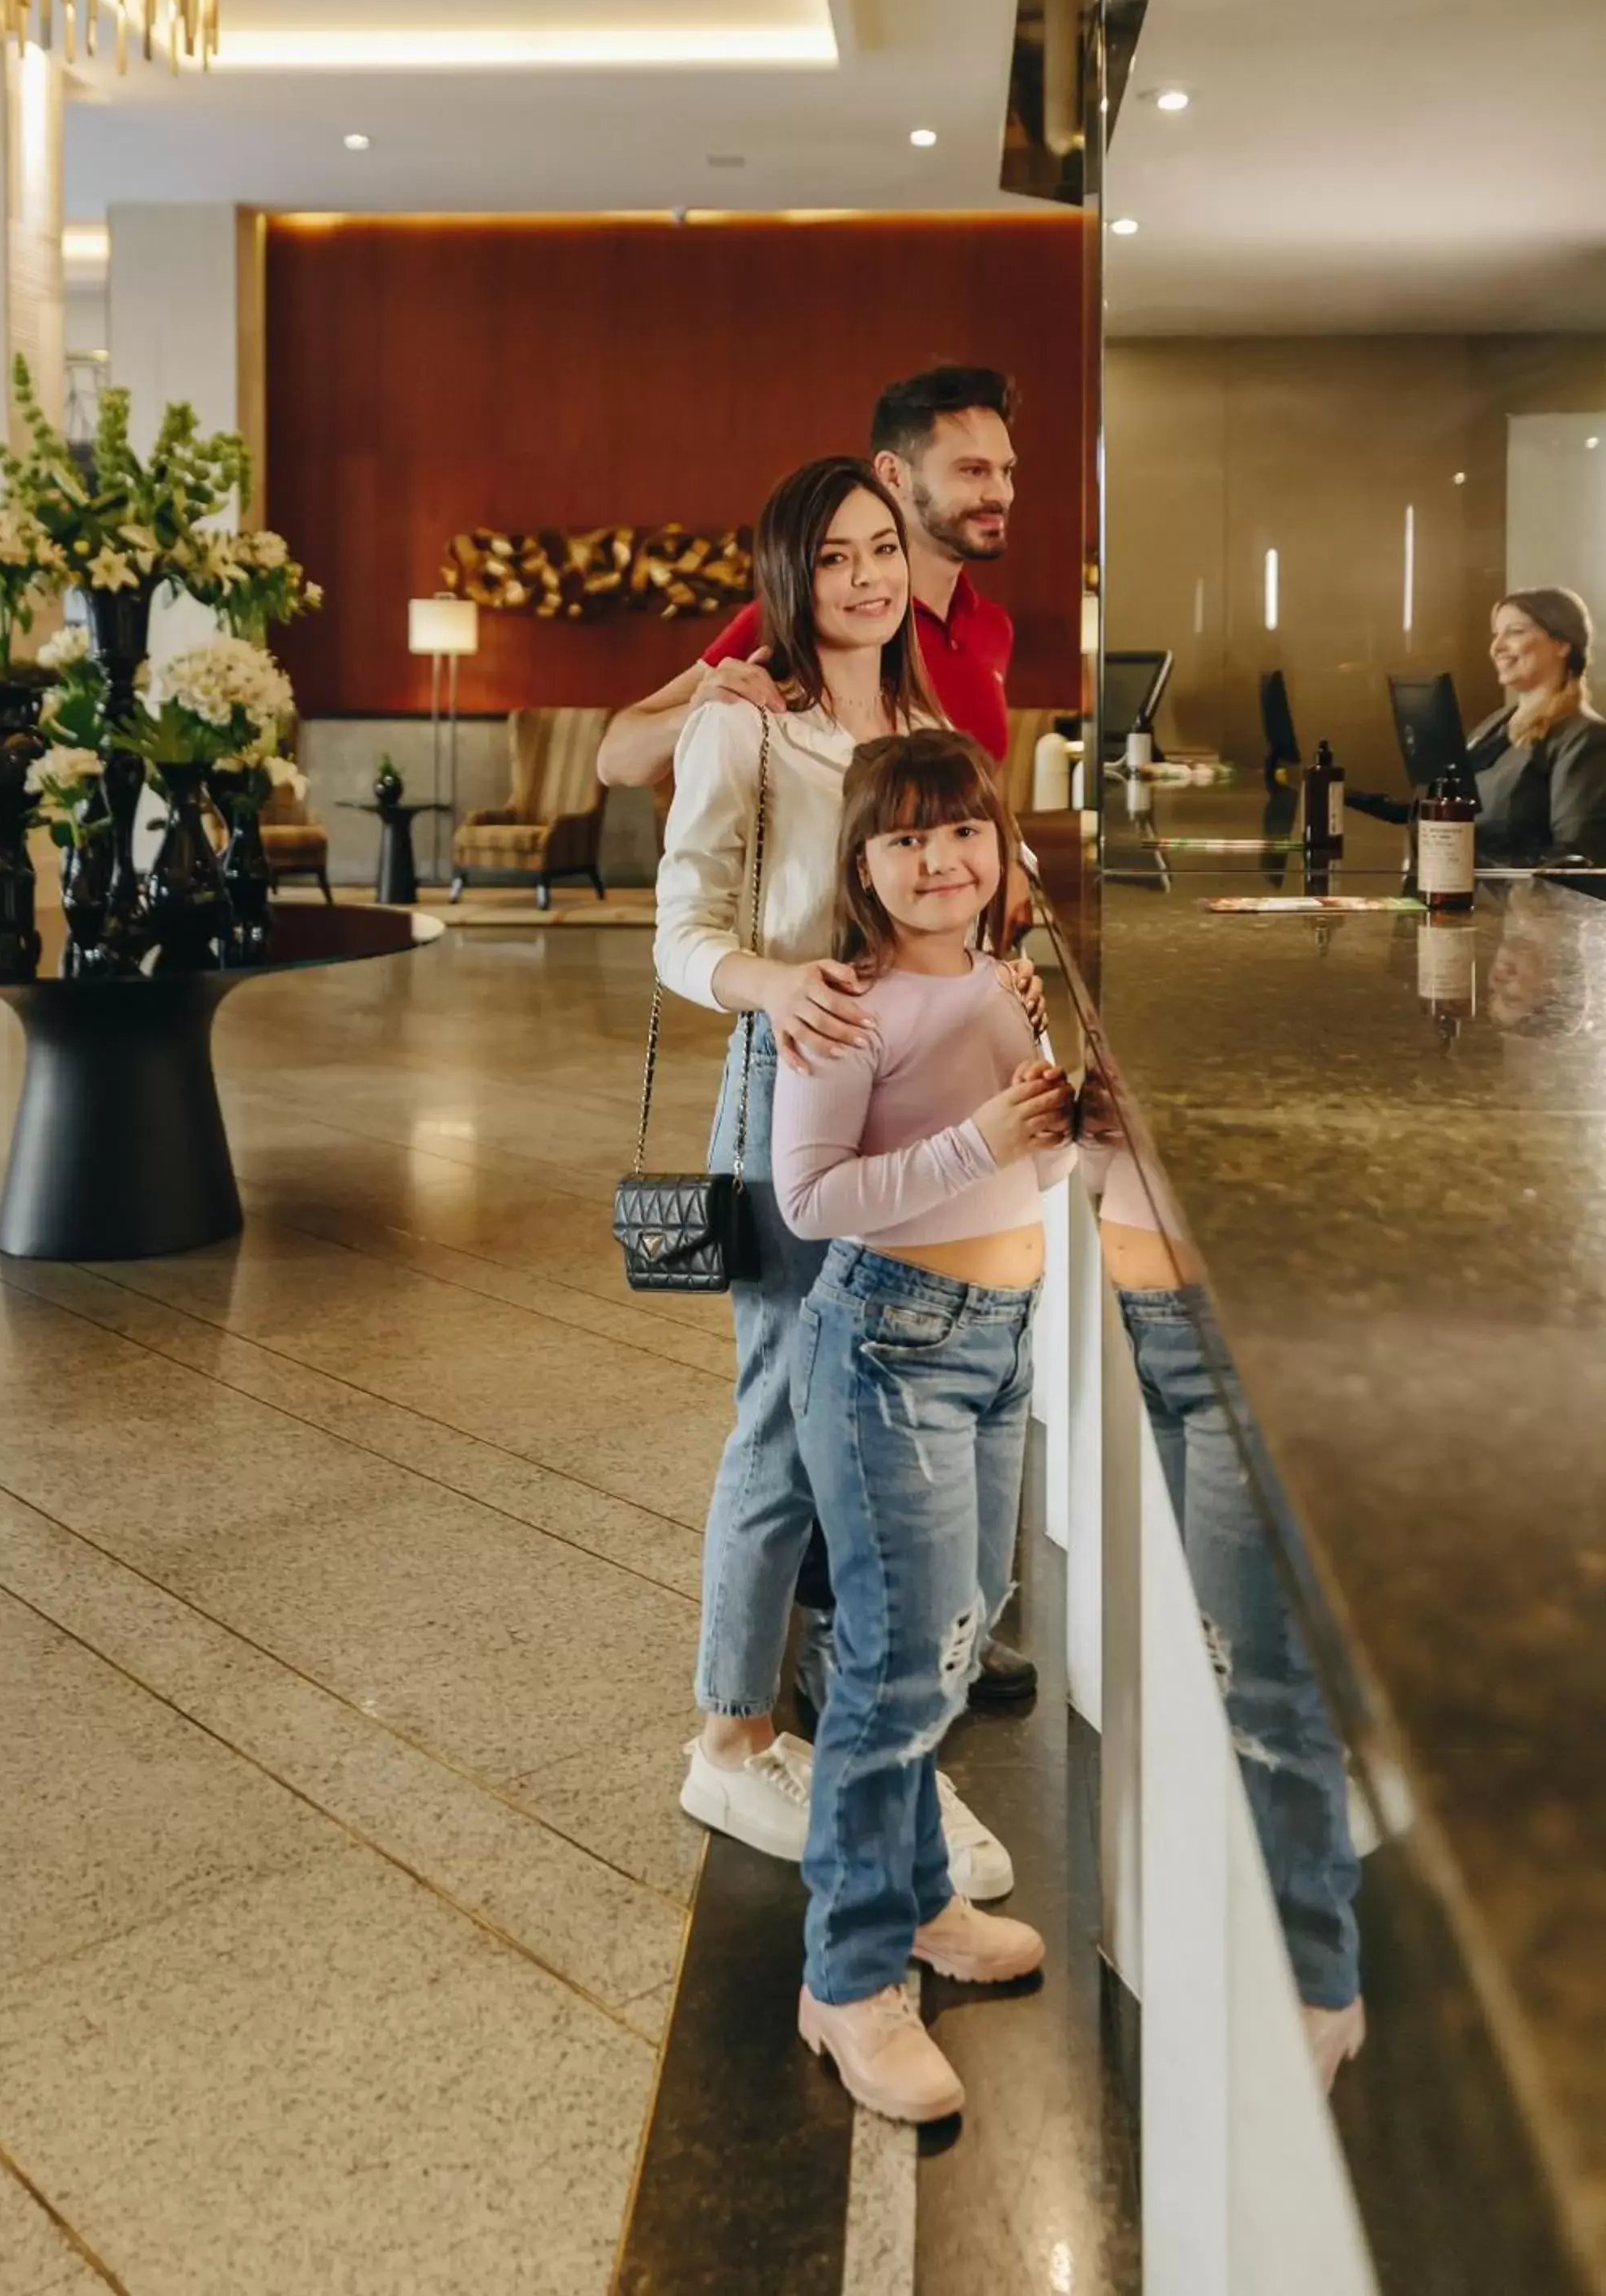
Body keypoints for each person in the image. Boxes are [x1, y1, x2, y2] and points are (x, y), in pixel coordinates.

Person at [616, 365, 1039, 1710]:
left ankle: (868, 1674)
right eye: (834, 558)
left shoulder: (917, 728)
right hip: (788, 1089)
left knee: (880, 1416)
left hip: (917, 1105)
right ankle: (733, 1727)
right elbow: (679, 936)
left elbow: (928, 908)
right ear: (789, 579)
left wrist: (989, 988)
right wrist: (768, 985)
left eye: (877, 553)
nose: (864, 579)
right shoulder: (747, 722)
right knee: (783, 1426)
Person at [772, 728, 1072, 2121]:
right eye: (905, 840)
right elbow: (812, 1200)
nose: (940, 860)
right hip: (889, 1347)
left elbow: (1025, 1151)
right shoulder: (852, 1008)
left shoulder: (1008, 983)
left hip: (995, 1344)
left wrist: (1068, 1123)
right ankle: (847, 1978)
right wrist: (985, 1147)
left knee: (948, 1653)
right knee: (894, 1677)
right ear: (864, 869)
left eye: (963, 831)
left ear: (1001, 842)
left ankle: (925, 1899)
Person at [1075, 1075, 1366, 2092]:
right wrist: (1097, 1142)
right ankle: (1246, 1924)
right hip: (1151, 1327)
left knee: (1262, 1677)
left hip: (1237, 1330)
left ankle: (1315, 1979)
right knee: (1207, 1656)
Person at [596, 364, 1019, 789]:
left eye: (1007, 471)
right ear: (893, 474)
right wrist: (704, 714)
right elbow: (615, 760)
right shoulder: (811, 612)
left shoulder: (991, 628)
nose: (1000, 493)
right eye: (973, 471)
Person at [1470, 589, 1606, 866]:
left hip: (1524, 904)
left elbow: (1576, 857)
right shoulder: (1496, 724)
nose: (1496, 648)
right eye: (1496, 634)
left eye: (1515, 632)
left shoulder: (1585, 738)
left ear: (1562, 644)